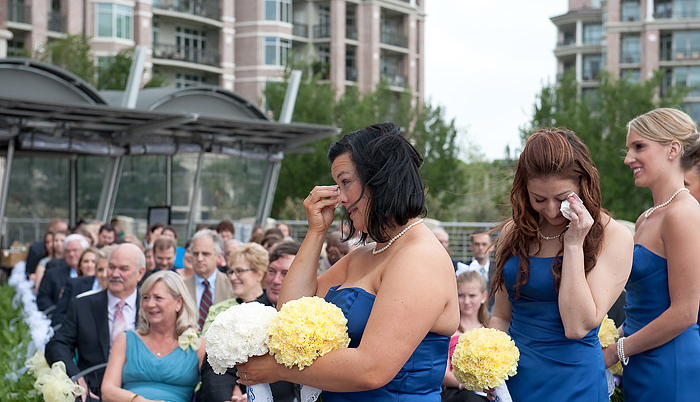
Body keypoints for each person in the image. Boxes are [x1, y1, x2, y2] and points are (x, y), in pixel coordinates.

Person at [237, 122, 459, 401]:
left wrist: (279, 369)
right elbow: (290, 311)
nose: (339, 198)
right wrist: (316, 231)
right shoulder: (364, 254)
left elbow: (372, 369)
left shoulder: (420, 257)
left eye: (345, 182)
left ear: (381, 178)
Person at [488, 128, 633, 401]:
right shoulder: (514, 232)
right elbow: (501, 316)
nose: (552, 211)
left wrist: (574, 244)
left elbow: (577, 327)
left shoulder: (613, 236)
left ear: (583, 185)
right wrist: (491, 368)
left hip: (574, 383)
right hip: (514, 381)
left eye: (563, 198)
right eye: (539, 199)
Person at [601, 108, 700, 400]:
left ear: (673, 149)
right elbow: (642, 307)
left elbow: (685, 312)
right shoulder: (646, 218)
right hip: (640, 360)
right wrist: (613, 340)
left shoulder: (682, 214)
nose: (628, 158)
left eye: (639, 147)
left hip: (670, 363)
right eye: (629, 148)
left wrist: (618, 350)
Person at [198, 240, 301, 402]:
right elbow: (216, 369)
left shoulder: (316, 318)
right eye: (272, 271)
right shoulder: (248, 313)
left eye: (286, 273)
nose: (275, 280)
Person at [45, 243, 146, 400]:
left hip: (141, 389)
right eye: (111, 267)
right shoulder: (82, 306)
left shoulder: (151, 308)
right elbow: (57, 345)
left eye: (123, 269)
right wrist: (75, 377)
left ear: (140, 273)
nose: (114, 273)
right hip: (93, 391)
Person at [101, 271, 205, 402]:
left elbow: (215, 384)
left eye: (158, 298)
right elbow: (107, 390)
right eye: (145, 297)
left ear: (178, 302)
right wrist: (139, 401)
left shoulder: (197, 344)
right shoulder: (126, 340)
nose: (150, 304)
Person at [441, 271, 489, 402]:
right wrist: (466, 385)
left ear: (484, 296)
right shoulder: (448, 329)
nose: (466, 301)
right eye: (461, 295)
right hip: (457, 393)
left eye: (472, 295)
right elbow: (442, 372)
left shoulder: (490, 330)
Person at [184, 229, 235, 329]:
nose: (199, 259)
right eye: (195, 253)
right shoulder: (181, 287)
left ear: (219, 256)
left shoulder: (231, 285)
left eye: (205, 254)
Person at [37, 233, 90, 312]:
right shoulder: (52, 274)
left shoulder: (92, 274)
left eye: (75, 250)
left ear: (84, 251)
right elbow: (43, 299)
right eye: (68, 251)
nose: (71, 254)